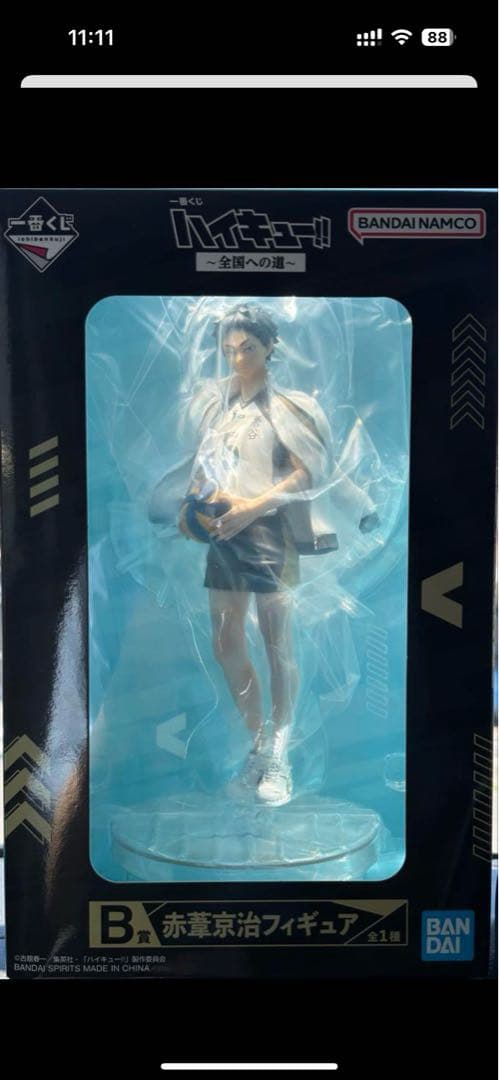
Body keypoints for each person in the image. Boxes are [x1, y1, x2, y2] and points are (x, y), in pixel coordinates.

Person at [178, 305, 336, 805]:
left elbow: (307, 472)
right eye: (229, 350)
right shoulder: (219, 409)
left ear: (269, 346)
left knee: (277, 643)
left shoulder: (286, 406)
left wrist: (252, 507)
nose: (238, 358)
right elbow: (204, 466)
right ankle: (259, 745)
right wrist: (195, 506)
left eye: (247, 347)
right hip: (225, 529)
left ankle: (280, 754)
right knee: (225, 640)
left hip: (270, 531)